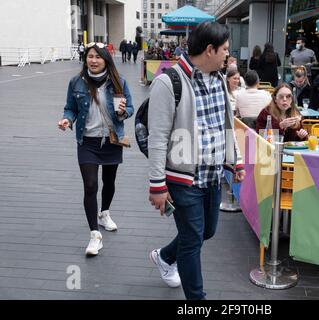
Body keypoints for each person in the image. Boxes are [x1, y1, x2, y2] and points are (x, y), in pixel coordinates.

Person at [147, 21, 245, 300]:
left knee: (207, 232)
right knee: (192, 240)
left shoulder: (218, 80)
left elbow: (225, 125)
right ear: (210, 49)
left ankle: (165, 257)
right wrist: (157, 185)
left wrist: (234, 161)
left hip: (213, 176)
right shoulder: (169, 82)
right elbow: (157, 138)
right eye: (225, 49)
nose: (228, 54)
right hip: (183, 179)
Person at [58, 42, 134, 256]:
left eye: (97, 57)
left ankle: (105, 213)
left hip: (111, 139)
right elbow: (70, 108)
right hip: (87, 141)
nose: (93, 60)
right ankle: (94, 235)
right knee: (90, 185)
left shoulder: (119, 82)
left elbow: (130, 107)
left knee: (109, 181)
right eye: (90, 56)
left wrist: (122, 112)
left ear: (106, 60)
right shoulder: (76, 82)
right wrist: (67, 119)